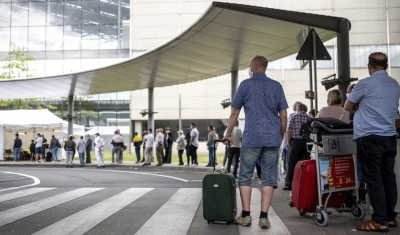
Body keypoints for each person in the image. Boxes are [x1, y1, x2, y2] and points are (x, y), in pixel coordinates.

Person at [223, 55, 288, 229]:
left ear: (254, 66)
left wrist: (228, 133)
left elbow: (234, 113)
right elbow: (283, 115)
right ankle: (264, 217)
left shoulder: (245, 85)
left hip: (252, 137)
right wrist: (280, 134)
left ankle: (246, 216)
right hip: (272, 137)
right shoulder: (276, 86)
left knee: (245, 175)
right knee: (268, 177)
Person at [344, 52, 400, 232]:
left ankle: (379, 220)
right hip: (390, 137)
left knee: (374, 179)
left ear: (369, 67)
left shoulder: (365, 84)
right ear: (386, 66)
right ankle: (390, 217)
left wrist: (360, 104)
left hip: (369, 138)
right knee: (388, 177)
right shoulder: (394, 84)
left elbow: (347, 106)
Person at [283, 103, 311, 190]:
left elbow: (288, 130)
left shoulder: (293, 116)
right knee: (304, 164)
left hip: (295, 143)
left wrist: (288, 142)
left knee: (292, 163)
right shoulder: (309, 117)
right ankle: (303, 183)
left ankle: (288, 184)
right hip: (306, 143)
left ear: (298, 109)